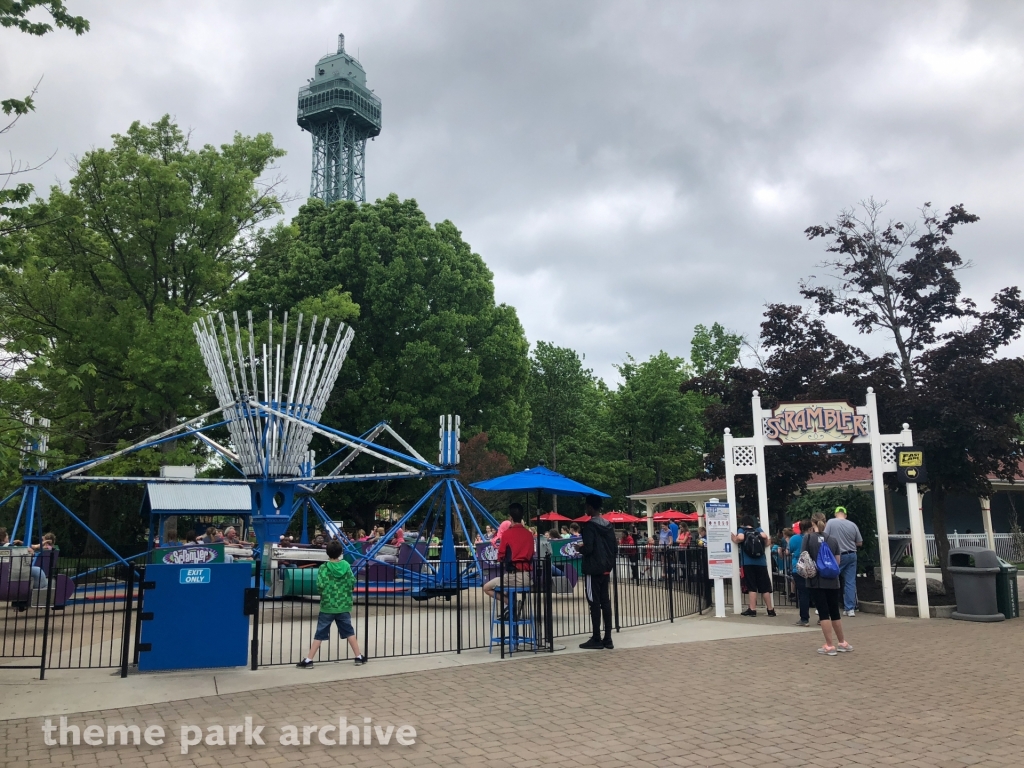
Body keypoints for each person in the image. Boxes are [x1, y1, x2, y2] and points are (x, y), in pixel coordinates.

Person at [296, 540, 366, 668]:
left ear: (327, 553)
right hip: (343, 604)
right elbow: (351, 582)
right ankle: (358, 656)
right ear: (340, 553)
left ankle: (309, 659)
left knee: (320, 633)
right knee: (349, 631)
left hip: (328, 605)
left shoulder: (324, 568)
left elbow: (320, 585)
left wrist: (325, 593)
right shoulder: (346, 566)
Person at [803, 512, 852, 655]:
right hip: (832, 580)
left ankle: (829, 646)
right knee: (834, 612)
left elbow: (804, 559)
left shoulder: (808, 538)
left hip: (816, 581)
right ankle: (842, 642)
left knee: (823, 613)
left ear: (812, 523)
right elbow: (837, 562)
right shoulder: (833, 540)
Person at [576, 495, 618, 650]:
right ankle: (608, 638)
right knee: (605, 602)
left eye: (587, 506)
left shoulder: (589, 527)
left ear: (591, 508)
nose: (586, 509)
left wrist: (579, 548)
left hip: (593, 569)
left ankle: (596, 637)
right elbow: (614, 548)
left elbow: (589, 549)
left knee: (594, 603)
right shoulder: (609, 525)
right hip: (606, 568)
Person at [482, 504, 534, 619]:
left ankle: (510, 603)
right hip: (526, 576)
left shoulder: (507, 534)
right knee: (506, 586)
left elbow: (501, 556)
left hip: (512, 577)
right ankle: (512, 606)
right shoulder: (529, 535)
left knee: (487, 587)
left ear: (510, 518)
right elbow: (531, 555)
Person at [732, 515, 776, 617]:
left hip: (748, 563)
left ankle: (752, 609)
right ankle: (770, 610)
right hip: (761, 562)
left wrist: (734, 538)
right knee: (765, 587)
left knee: (751, 586)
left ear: (743, 523)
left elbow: (741, 538)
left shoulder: (742, 530)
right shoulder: (758, 529)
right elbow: (765, 537)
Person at [824, 506, 863, 617]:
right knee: (850, 582)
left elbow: (825, 537)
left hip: (837, 556)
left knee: (831, 579)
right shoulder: (853, 525)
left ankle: (826, 606)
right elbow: (859, 542)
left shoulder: (831, 522)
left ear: (836, 514)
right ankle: (850, 609)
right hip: (852, 555)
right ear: (845, 515)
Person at [790, 519, 811, 626]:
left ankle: (804, 618)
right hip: (813, 569)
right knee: (817, 594)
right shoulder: (814, 538)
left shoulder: (794, 538)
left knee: (803, 594)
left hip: (798, 568)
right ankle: (823, 617)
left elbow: (789, 550)